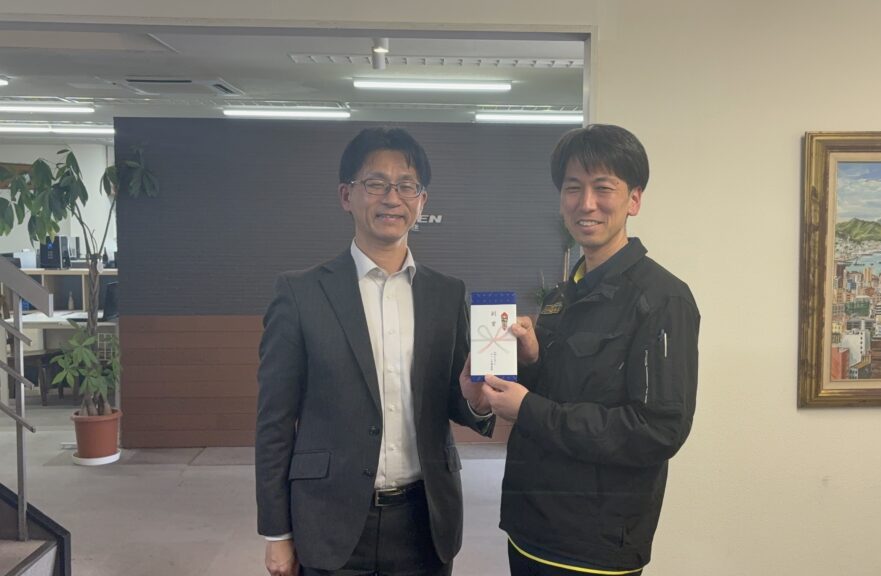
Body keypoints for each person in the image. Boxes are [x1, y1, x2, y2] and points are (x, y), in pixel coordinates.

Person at [255, 127, 495, 576]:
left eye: (406, 185)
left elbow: (457, 399)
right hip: (329, 518)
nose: (392, 198)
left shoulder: (447, 294)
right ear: (346, 195)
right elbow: (274, 423)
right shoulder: (300, 293)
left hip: (425, 521)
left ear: (421, 201)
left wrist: (478, 402)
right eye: (376, 183)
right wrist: (276, 532)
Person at [481, 124, 700, 575]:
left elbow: (658, 431)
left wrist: (529, 409)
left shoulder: (662, 298)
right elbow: (565, 388)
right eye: (572, 188)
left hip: (594, 544)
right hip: (530, 526)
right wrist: (532, 359)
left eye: (603, 188)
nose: (586, 203)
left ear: (633, 200)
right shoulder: (565, 294)